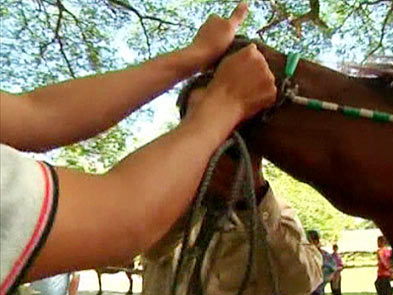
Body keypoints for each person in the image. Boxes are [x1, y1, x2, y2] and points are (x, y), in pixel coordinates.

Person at [0, 2, 277, 294]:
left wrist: (194, 57)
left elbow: (36, 113)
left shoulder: (264, 209)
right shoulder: (177, 204)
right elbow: (118, 224)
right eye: (191, 118)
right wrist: (225, 102)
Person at [140, 88, 323, 295]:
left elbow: (303, 283)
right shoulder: (164, 205)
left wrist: (253, 197)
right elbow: (151, 249)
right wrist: (193, 198)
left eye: (228, 120)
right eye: (200, 119)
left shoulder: (274, 214)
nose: (216, 132)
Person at [307, 230, 336, 295]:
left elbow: (332, 271)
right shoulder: (304, 256)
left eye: (308, 242)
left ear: (316, 241)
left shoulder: (325, 256)